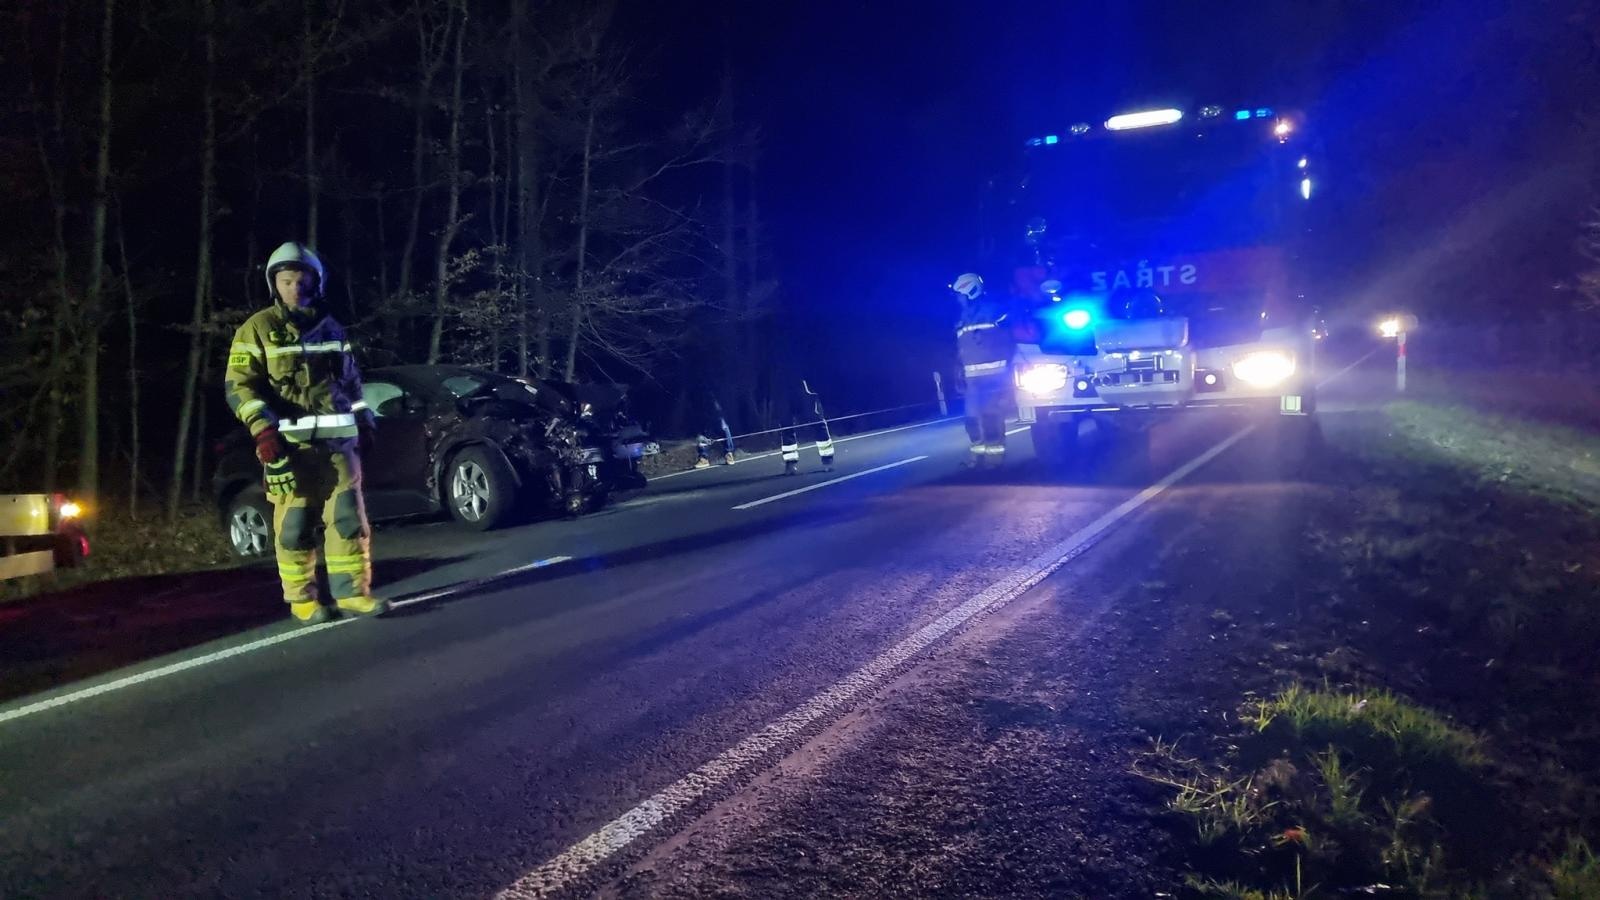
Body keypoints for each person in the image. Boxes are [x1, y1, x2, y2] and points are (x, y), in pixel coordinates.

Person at [223, 242, 386, 625]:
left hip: (337, 446)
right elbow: (239, 387)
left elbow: (350, 382)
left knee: (348, 520)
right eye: (286, 281)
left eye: (301, 280)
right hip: (289, 449)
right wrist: (263, 431)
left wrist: (364, 419)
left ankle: (353, 595)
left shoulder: (330, 328)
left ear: (316, 282)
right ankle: (302, 601)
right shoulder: (257, 329)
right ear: (274, 284)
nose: (295, 287)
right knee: (294, 526)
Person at [952, 272, 1016, 468]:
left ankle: (995, 460)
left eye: (960, 295)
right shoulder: (963, 317)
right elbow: (962, 348)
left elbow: (1011, 336)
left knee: (990, 419)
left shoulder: (994, 311)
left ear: (969, 292)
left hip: (994, 378)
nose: (958, 299)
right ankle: (977, 458)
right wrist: (958, 371)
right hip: (972, 380)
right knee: (971, 420)